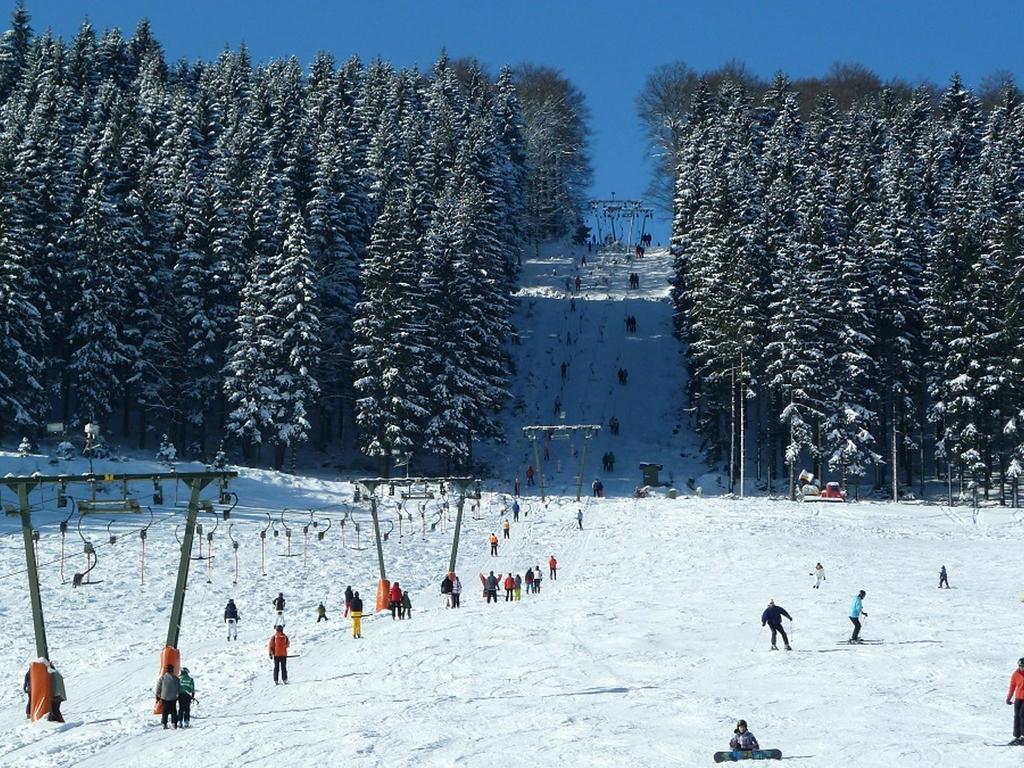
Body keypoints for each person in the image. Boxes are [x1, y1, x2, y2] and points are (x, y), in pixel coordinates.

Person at [154, 664, 180, 729]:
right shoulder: (176, 679)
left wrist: (157, 695)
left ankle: (164, 723)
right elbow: (178, 688)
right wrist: (177, 695)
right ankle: (174, 723)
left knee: (165, 711)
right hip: (173, 697)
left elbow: (158, 687)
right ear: (172, 670)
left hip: (164, 697)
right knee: (173, 711)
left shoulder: (162, 678)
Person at [1007, 657, 1024, 743]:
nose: (1023, 668)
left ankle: (1023, 736)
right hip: (1018, 698)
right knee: (1017, 716)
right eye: (1021, 666)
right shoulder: (1015, 674)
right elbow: (1012, 687)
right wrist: (1009, 698)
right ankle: (1017, 736)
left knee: (1022, 715)